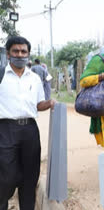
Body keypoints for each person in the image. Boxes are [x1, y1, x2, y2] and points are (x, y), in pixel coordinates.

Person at [0, 36, 55, 210]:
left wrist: (50, 103)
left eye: (24, 51)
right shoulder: (1, 75)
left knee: (30, 177)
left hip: (30, 130)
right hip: (5, 129)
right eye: (16, 51)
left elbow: (38, 104)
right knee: (6, 177)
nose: (20, 54)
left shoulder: (34, 78)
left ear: (28, 54)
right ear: (8, 54)